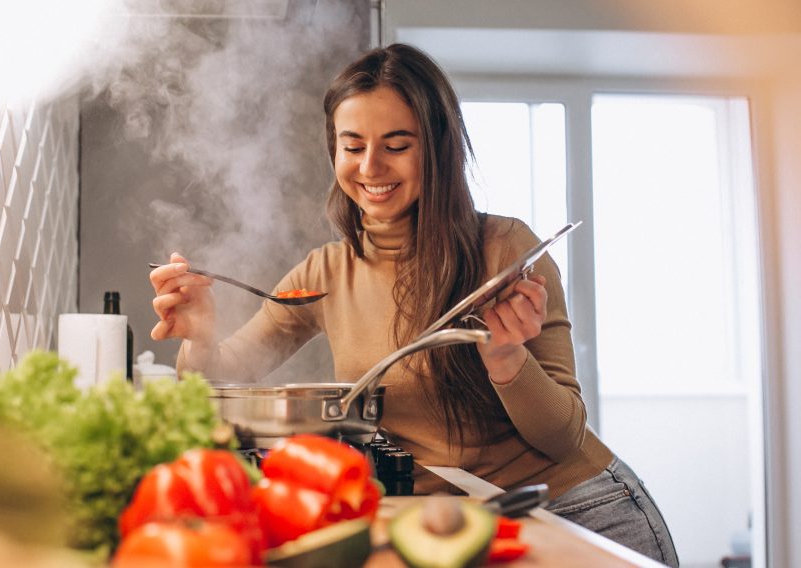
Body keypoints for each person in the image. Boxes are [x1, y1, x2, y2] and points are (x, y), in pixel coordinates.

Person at [148, 43, 678, 565]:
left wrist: (507, 358)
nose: (370, 167)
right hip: (453, 523)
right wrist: (199, 335)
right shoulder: (324, 273)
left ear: (438, 148)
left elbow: (564, 439)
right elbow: (218, 381)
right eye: (352, 146)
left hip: (575, 509)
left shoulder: (506, 250)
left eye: (396, 145)